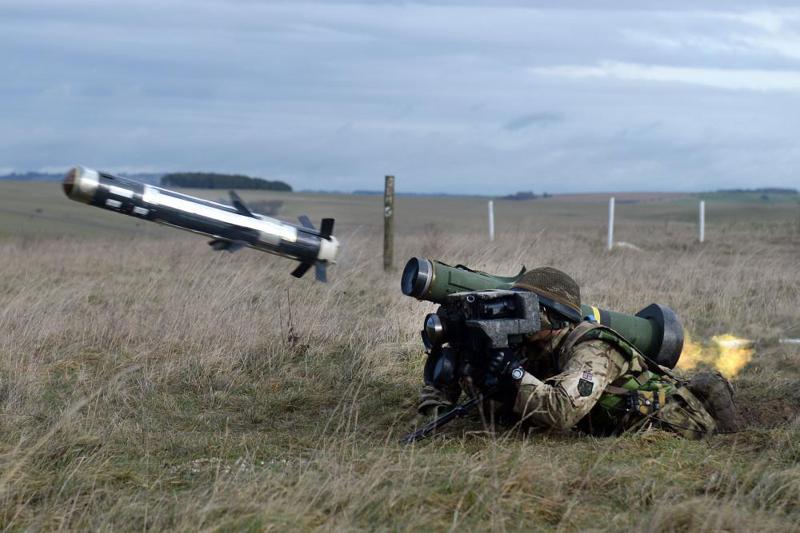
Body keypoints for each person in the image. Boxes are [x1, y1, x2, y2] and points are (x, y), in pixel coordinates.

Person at [418, 267, 738, 438]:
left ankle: (712, 392)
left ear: (555, 317)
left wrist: (510, 373)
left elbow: (560, 413)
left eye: (527, 310)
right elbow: (501, 407)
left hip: (673, 427)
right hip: (602, 425)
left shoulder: (593, 348)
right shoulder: (534, 344)